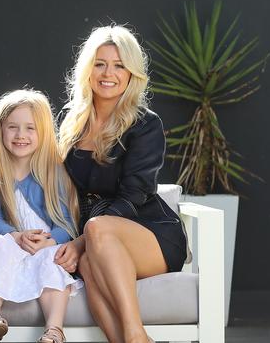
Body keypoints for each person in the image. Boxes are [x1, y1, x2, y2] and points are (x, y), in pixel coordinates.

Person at [53, 25, 188, 343]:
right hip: (98, 238)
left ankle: (135, 335)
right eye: (100, 63)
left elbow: (135, 193)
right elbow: (46, 177)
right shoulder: (70, 120)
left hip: (151, 233)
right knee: (87, 263)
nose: (108, 73)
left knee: (97, 231)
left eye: (119, 65)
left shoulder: (145, 123)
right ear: (88, 69)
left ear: (131, 73)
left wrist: (82, 239)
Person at [0, 89, 81, 343]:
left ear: (44, 131)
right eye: (12, 127)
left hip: (43, 244)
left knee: (53, 262)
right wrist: (15, 236)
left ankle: (54, 330)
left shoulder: (54, 170)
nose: (20, 135)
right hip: (13, 243)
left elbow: (67, 222)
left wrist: (50, 241)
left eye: (30, 128)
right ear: (1, 130)